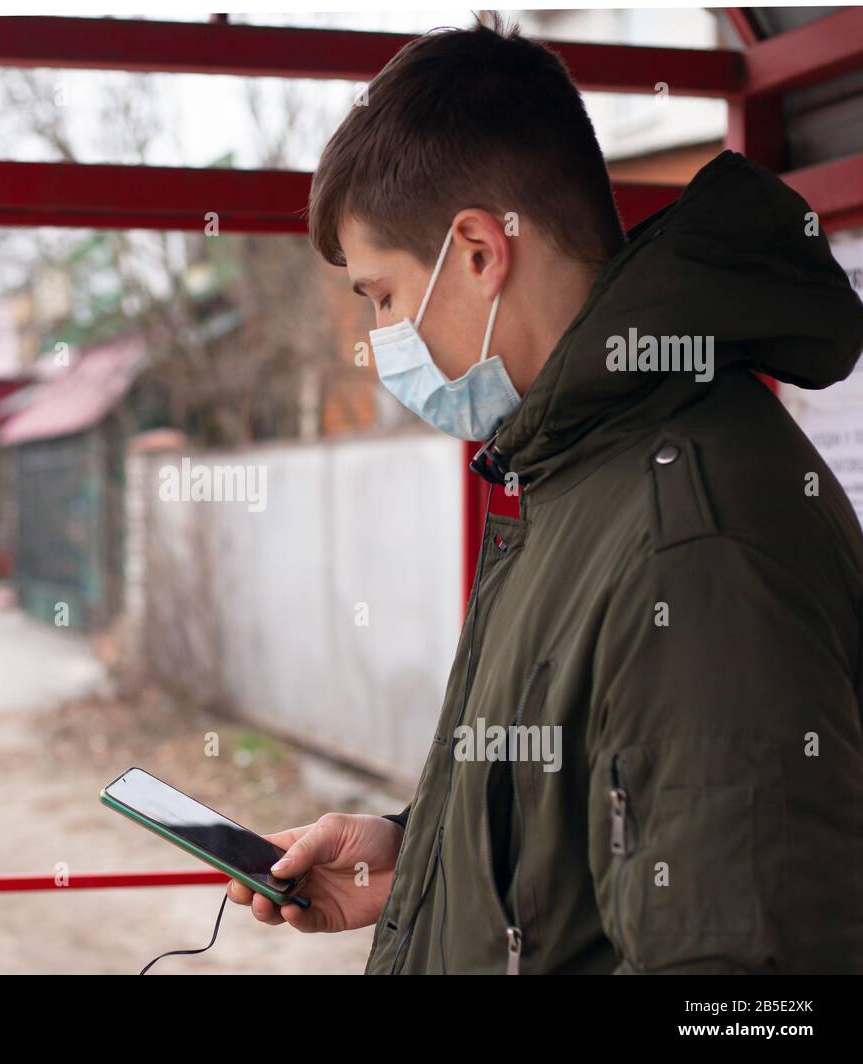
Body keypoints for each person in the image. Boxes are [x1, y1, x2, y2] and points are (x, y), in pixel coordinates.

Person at [226, 21, 863, 973]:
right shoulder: (585, 474)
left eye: (383, 298)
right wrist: (421, 862)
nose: (378, 338)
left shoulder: (689, 542)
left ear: (479, 252)